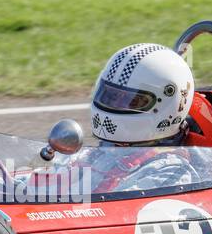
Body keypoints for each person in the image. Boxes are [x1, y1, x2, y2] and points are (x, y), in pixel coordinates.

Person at [86, 43, 201, 192]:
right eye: (111, 97)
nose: (115, 105)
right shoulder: (109, 150)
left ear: (168, 103)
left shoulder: (170, 173)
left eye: (131, 100)